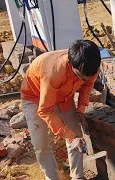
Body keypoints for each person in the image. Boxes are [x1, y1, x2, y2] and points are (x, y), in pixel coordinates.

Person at [21, 40, 101, 179]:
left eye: (86, 77)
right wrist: (69, 137)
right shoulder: (54, 72)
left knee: (76, 133)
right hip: (35, 96)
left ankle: (78, 176)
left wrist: (80, 110)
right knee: (41, 144)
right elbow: (45, 110)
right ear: (71, 64)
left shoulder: (91, 65)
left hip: (64, 95)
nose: (84, 79)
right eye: (80, 76)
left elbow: (87, 86)